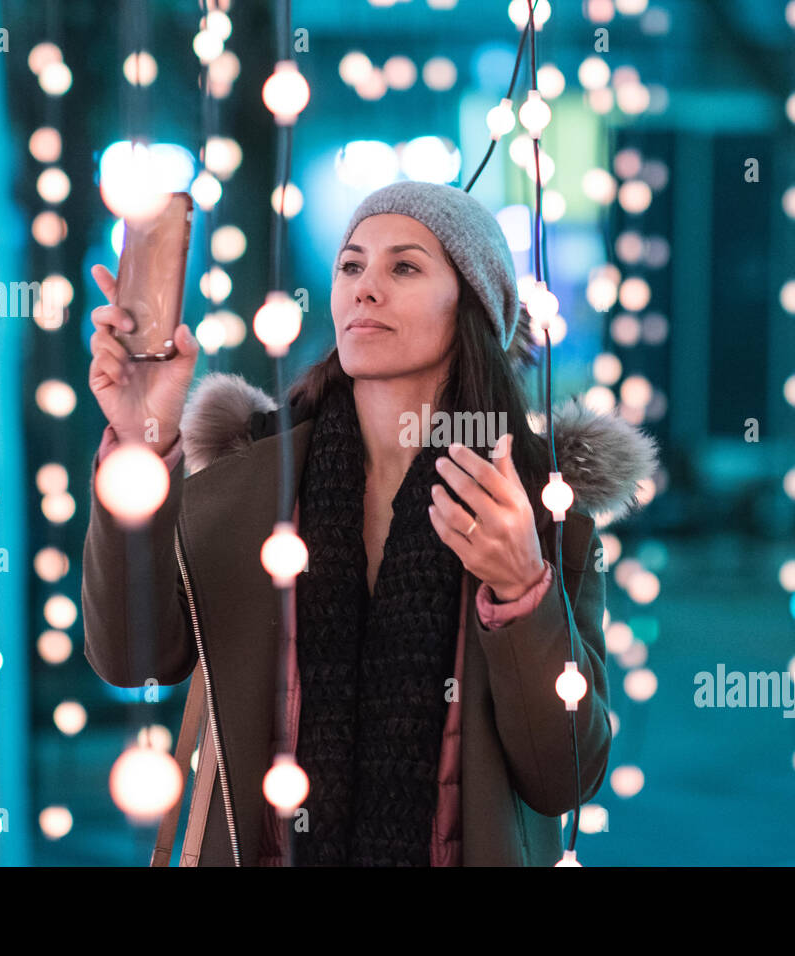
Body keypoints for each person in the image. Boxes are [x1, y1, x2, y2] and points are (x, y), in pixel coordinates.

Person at [81, 180, 658, 866]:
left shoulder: (535, 509)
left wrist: (522, 588)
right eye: (351, 265)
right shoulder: (251, 488)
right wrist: (141, 446)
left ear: (473, 305)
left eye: (404, 267)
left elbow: (563, 773)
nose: (365, 288)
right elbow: (130, 656)